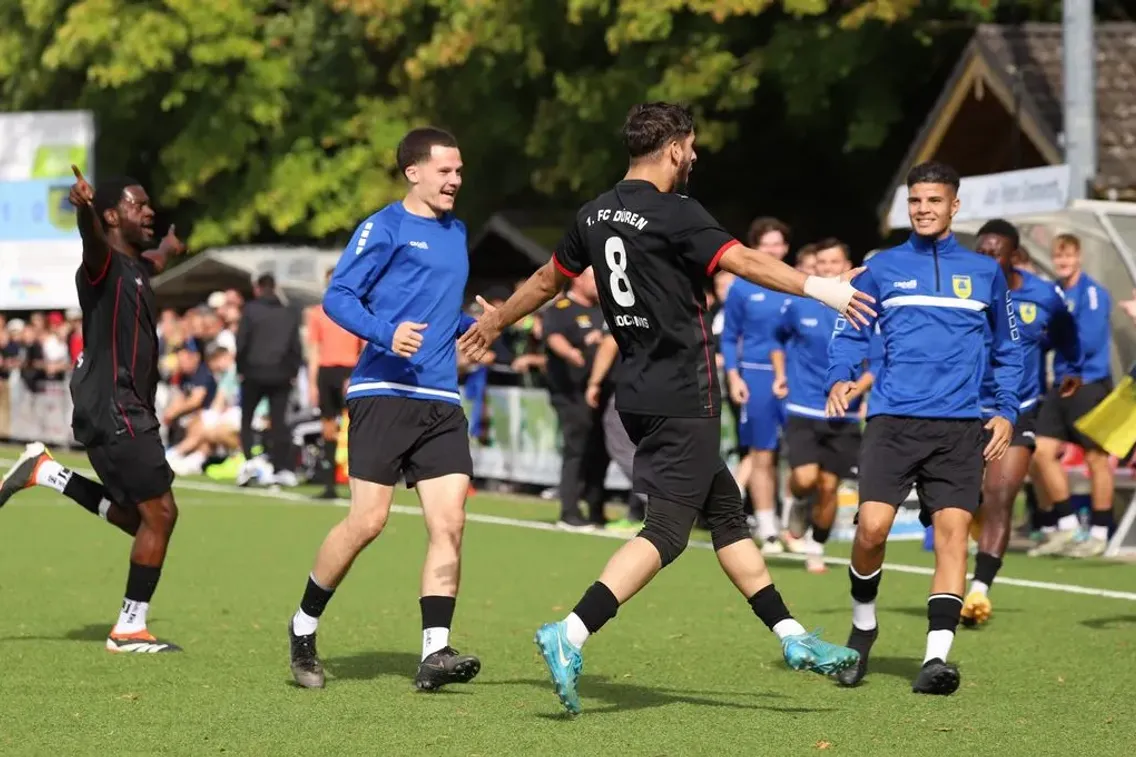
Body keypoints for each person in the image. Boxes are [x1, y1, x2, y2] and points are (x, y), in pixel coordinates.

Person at [458, 102, 872, 715]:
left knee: (727, 516)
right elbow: (743, 260)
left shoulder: (594, 212)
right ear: (675, 147)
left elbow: (549, 279)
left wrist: (497, 319)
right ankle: (569, 633)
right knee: (668, 534)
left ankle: (793, 637)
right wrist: (823, 288)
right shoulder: (676, 212)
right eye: (693, 146)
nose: (697, 156)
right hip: (684, 391)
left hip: (642, 391)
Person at [286, 127, 481, 692]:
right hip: (382, 393)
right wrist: (385, 332)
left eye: (460, 171)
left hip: (441, 399)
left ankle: (434, 653)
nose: (455, 181)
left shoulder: (459, 231)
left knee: (451, 522)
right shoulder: (385, 226)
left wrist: (478, 324)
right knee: (367, 522)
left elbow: (440, 309)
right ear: (413, 172)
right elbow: (338, 296)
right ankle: (303, 626)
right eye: (445, 171)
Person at [826, 160, 1022, 695]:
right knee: (871, 529)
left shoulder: (985, 273)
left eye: (934, 200)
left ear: (954, 206)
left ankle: (936, 660)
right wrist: (841, 376)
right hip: (892, 421)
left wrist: (1005, 409)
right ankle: (863, 629)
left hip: (959, 428)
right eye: (915, 201)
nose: (924, 209)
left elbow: (1009, 349)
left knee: (953, 535)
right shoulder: (881, 267)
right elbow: (848, 328)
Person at [0, 168, 186, 653]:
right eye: (136, 205)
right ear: (110, 216)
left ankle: (47, 473)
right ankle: (129, 628)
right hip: (116, 406)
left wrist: (171, 246)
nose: (148, 210)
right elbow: (93, 241)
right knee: (161, 515)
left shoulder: (139, 267)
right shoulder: (101, 265)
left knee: (138, 517)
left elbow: (158, 258)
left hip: (118, 407)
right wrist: (83, 211)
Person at [960, 219, 1081, 625]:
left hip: (1018, 409)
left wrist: (1070, 367)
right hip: (961, 409)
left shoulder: (1043, 295)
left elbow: (1068, 333)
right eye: (981, 251)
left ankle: (978, 592)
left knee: (1000, 494)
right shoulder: (960, 291)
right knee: (964, 499)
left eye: (995, 252)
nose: (987, 258)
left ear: (1014, 256)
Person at [773, 239, 874, 574]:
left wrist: (856, 391)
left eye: (835, 262)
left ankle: (815, 548)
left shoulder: (865, 305)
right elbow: (777, 339)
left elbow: (879, 360)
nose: (829, 269)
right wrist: (780, 374)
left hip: (842, 414)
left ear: (848, 263)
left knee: (830, 486)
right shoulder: (799, 303)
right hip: (803, 407)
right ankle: (798, 503)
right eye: (823, 264)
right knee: (804, 479)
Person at [1029, 233, 1115, 558]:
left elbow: (1089, 340)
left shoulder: (1092, 292)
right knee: (1041, 452)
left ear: (1078, 257)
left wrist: (1049, 336)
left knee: (1096, 458)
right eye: (1058, 257)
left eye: (1068, 257)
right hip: (1062, 384)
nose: (1063, 263)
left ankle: (1100, 532)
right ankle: (1066, 526)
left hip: (1088, 383)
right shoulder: (1056, 292)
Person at [721, 219, 794, 552]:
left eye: (778, 244)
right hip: (756, 375)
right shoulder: (742, 287)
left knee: (798, 454)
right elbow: (728, 336)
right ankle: (767, 528)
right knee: (762, 452)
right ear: (754, 248)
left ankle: (794, 525)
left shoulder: (797, 281)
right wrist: (734, 376)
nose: (773, 250)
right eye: (766, 244)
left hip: (797, 378)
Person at [542, 267, 611, 530]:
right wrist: (573, 352)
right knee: (576, 449)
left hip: (600, 391)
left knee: (600, 450)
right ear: (578, 279)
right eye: (594, 277)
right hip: (570, 392)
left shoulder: (603, 309)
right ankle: (569, 511)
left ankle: (596, 508)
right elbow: (553, 337)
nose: (598, 283)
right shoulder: (561, 308)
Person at [236, 273, 303, 487]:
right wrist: (293, 371)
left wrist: (240, 368)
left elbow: (242, 343)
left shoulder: (250, 310)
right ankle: (280, 467)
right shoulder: (288, 312)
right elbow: (296, 346)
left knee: (247, 419)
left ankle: (249, 462)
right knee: (279, 422)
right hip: (281, 373)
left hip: (254, 372)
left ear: (258, 288)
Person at [306, 268, 364, 499]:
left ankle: (359, 484)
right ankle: (329, 483)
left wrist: (356, 374)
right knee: (327, 427)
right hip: (326, 371)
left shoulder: (356, 311)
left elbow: (364, 347)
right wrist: (312, 383)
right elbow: (313, 350)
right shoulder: (316, 313)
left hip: (348, 370)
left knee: (356, 428)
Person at [586, 327, 648, 530]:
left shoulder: (623, 303)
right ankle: (636, 514)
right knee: (644, 451)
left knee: (622, 449)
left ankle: (658, 503)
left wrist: (594, 382)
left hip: (630, 388)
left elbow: (609, 343)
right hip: (660, 388)